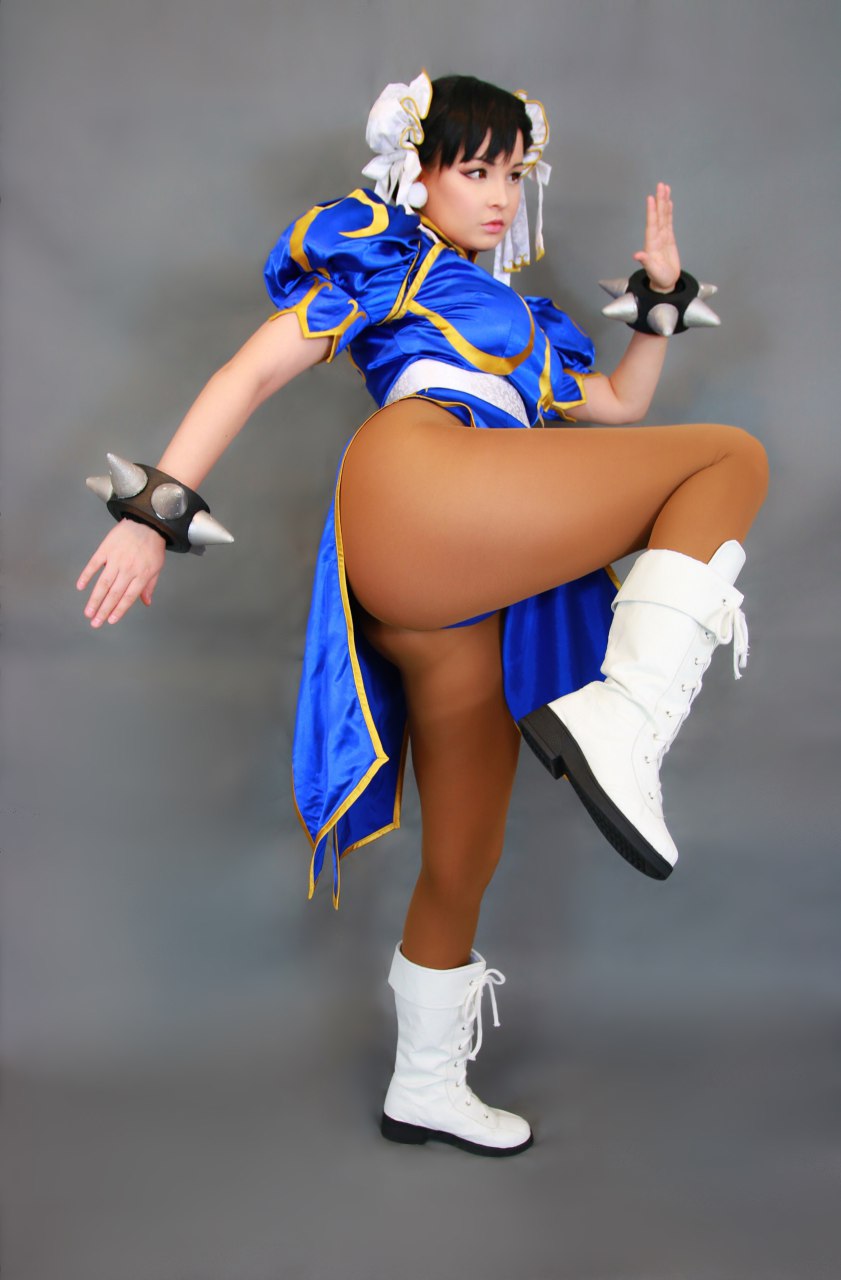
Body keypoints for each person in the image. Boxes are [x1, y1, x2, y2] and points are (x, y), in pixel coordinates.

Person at [77, 72, 768, 1158]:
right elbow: (248, 373)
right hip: (418, 487)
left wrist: (660, 299)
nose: (497, 195)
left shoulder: (526, 325)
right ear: (416, 172)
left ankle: (427, 1084)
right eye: (473, 169)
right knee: (729, 459)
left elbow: (620, 405)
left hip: (460, 585)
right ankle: (624, 719)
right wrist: (152, 517)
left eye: (513, 175)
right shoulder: (388, 260)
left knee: (465, 851)